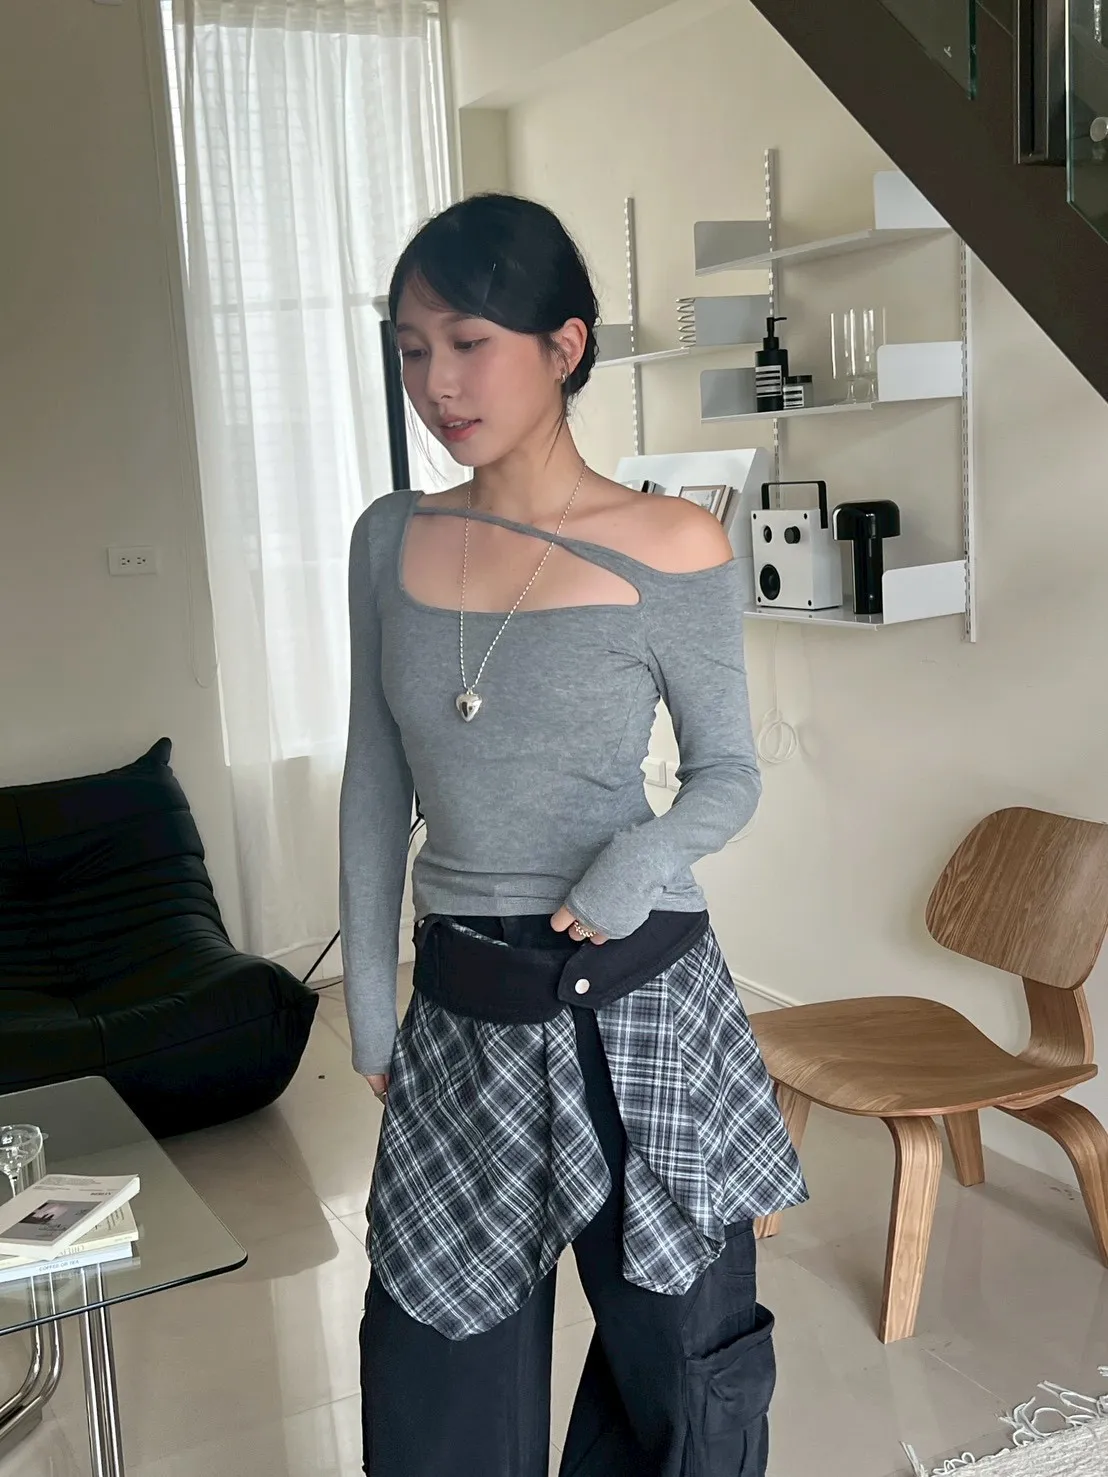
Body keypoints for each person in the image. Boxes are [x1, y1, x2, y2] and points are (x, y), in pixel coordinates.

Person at [339, 192, 806, 1477]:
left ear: (565, 346)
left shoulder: (671, 541)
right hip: (468, 1005)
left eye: (468, 342)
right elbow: (373, 783)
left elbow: (727, 773)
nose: (437, 382)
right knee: (437, 1374)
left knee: (683, 1380)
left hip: (642, 998)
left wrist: (632, 865)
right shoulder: (389, 539)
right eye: (412, 347)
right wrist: (371, 1006)